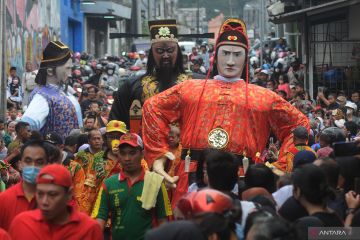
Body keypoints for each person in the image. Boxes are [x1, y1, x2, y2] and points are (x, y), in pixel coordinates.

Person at [142, 18, 309, 201]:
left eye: (237, 54)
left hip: (242, 174)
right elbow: (152, 107)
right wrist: (159, 153)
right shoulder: (190, 89)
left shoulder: (263, 97)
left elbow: (299, 123)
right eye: (225, 53)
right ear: (216, 55)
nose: (230, 61)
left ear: (246, 58)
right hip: (193, 171)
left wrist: (281, 164)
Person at [109, 19, 188, 128]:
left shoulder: (194, 84)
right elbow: (115, 124)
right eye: (160, 51)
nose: (165, 56)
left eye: (170, 50)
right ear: (152, 53)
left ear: (178, 52)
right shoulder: (132, 86)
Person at [92, 133, 171, 240]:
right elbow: (100, 218)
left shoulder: (155, 182)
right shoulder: (109, 184)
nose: (127, 158)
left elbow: (163, 221)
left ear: (142, 154)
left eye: (132, 153)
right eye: (123, 153)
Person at [8, 164, 103, 240]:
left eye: (52, 194)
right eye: (40, 194)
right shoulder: (22, 224)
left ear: (69, 194)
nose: (44, 202)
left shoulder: (89, 229)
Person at [22, 41, 83, 140]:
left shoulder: (66, 92)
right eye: (67, 69)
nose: (70, 74)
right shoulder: (42, 97)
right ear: (50, 71)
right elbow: (26, 126)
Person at [0, 140, 49, 230]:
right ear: (20, 163)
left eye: (39, 161)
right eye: (28, 160)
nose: (33, 165)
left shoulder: (54, 199)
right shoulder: (4, 199)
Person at [74, 129, 107, 215]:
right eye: (94, 139)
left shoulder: (107, 156)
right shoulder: (81, 156)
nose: (97, 141)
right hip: (83, 193)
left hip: (101, 191)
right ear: (89, 141)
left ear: (103, 140)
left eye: (99, 138)